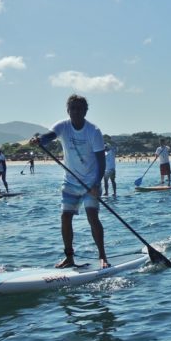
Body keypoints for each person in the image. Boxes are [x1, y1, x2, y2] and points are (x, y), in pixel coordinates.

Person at [30, 94, 108, 269]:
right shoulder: (62, 126)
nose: (76, 111)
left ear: (85, 111)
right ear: (68, 110)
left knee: (92, 217)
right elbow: (49, 136)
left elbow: (101, 162)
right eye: (73, 108)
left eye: (80, 108)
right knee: (65, 217)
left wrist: (96, 185)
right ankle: (69, 257)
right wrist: (39, 140)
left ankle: (103, 256)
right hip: (71, 181)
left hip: (90, 182)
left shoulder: (93, 132)